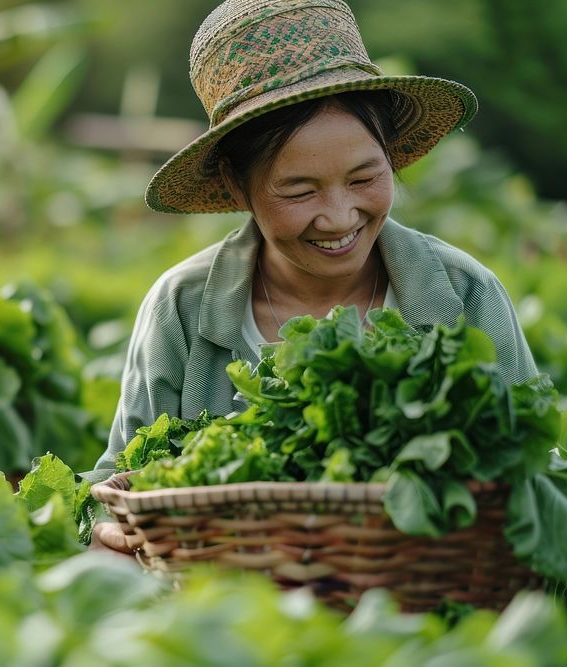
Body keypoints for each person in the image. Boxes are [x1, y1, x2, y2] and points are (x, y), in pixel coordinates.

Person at [90, 0, 538, 552]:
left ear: (390, 156)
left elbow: (533, 469)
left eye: (364, 177)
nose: (340, 216)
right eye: (299, 190)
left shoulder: (465, 294)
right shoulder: (181, 306)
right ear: (236, 186)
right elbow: (120, 479)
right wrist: (107, 528)